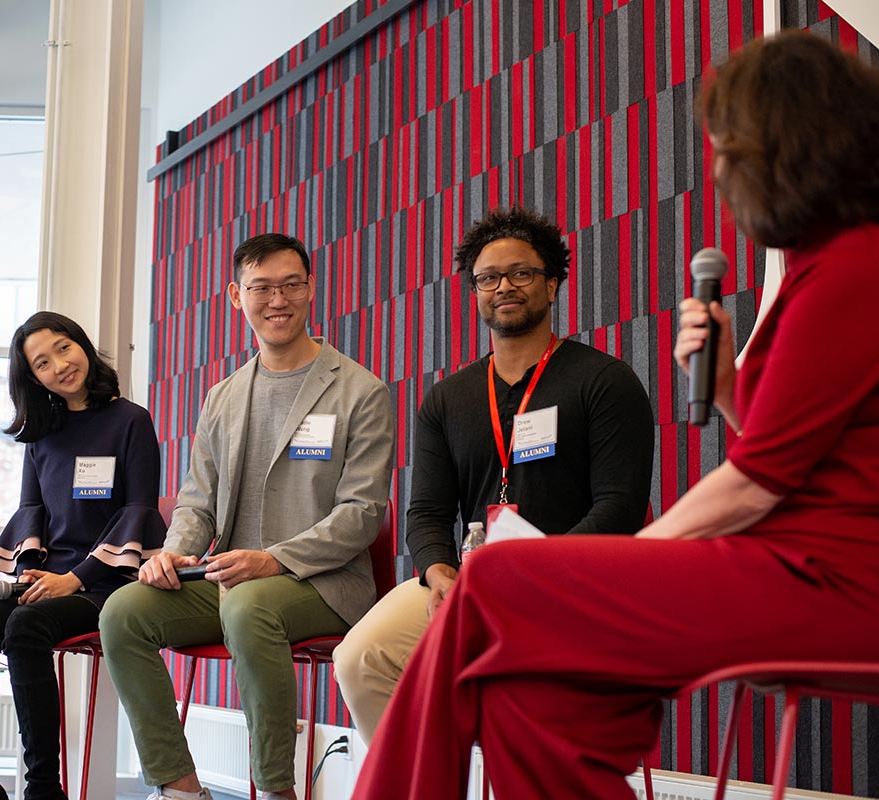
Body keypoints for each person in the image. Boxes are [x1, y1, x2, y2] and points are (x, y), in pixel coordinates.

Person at [351, 31, 879, 799]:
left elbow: (756, 482)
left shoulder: (854, 267)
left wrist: (592, 562)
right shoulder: (817, 264)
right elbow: (795, 447)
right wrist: (729, 385)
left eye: (731, 147)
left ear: (791, 145)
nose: (722, 168)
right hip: (786, 557)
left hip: (833, 579)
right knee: (527, 690)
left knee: (500, 576)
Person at [333, 207, 655, 743]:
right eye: (488, 278)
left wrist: (531, 573)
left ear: (552, 285)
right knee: (361, 657)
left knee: (517, 683)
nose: (503, 286)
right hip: (471, 583)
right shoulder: (447, 399)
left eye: (521, 273)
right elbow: (428, 513)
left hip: (574, 584)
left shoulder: (604, 382)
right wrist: (438, 573)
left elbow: (619, 509)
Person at [99, 233, 395, 800]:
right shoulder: (223, 396)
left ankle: (275, 789)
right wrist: (175, 551)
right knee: (123, 613)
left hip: (323, 581)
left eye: (290, 284)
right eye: (261, 288)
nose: (276, 299)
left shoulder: (360, 391)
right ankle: (181, 786)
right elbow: (196, 501)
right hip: (230, 579)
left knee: (251, 603)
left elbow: (361, 514)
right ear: (237, 296)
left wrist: (273, 559)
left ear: (310, 289)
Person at [0, 312, 167, 800]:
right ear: (33, 377)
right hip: (49, 581)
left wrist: (77, 578)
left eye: (64, 348)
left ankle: (43, 788)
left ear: (82, 346)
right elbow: (32, 511)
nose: (60, 365)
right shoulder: (42, 435)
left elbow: (139, 509)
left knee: (25, 629)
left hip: (109, 582)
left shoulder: (131, 420)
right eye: (42, 363)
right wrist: (28, 573)